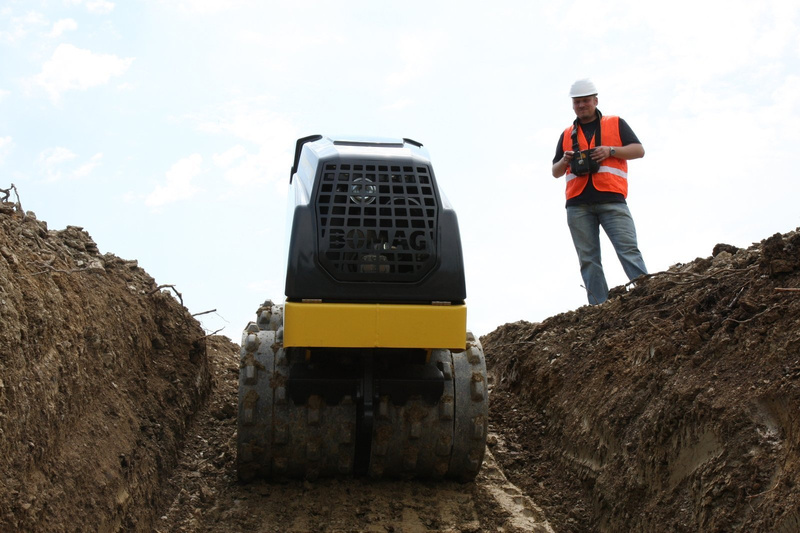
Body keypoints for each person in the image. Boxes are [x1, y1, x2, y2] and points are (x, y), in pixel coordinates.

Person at [551, 78, 648, 305]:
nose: (581, 106)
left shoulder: (615, 123)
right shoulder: (567, 134)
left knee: (628, 250)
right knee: (588, 259)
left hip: (611, 199)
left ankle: (647, 294)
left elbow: (639, 150)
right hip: (578, 204)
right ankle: (599, 306)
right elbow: (555, 171)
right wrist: (565, 160)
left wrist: (610, 151)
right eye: (577, 102)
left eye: (585, 101)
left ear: (595, 101)